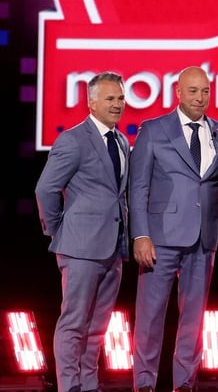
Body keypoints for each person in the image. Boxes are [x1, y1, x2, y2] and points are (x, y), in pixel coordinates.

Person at [128, 65, 218, 392]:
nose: (200, 98)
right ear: (179, 93)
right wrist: (140, 234)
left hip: (204, 239)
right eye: (194, 91)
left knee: (194, 320)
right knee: (150, 317)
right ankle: (144, 383)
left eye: (206, 91)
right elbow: (138, 186)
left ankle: (184, 384)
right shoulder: (154, 129)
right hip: (160, 238)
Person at [35, 71, 129, 392]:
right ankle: (69, 386)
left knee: (98, 328)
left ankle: (89, 385)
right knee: (74, 324)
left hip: (112, 249)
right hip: (80, 248)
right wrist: (58, 230)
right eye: (110, 98)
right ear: (91, 102)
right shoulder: (73, 139)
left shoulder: (122, 140)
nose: (118, 104)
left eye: (120, 98)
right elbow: (46, 189)